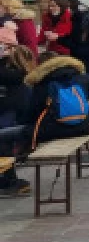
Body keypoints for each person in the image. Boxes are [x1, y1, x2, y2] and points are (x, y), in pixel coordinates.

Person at [0, 35, 34, 197]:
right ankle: (8, 179)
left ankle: (9, 180)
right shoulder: (16, 71)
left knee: (4, 141)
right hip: (13, 114)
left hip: (11, 115)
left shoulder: (14, 72)